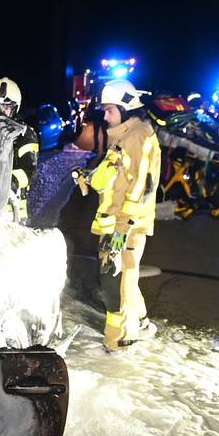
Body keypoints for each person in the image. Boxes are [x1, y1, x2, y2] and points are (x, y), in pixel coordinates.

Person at [86, 79, 161, 352]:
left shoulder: (136, 136)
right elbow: (119, 177)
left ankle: (120, 341)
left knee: (116, 282)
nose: (105, 116)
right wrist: (90, 178)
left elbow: (141, 185)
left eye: (109, 110)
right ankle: (141, 323)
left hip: (126, 225)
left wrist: (122, 227)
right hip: (117, 221)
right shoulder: (124, 134)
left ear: (125, 107)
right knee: (126, 275)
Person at [0, 77, 39, 221]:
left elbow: (29, 171)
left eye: (6, 108)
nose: (0, 113)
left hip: (11, 214)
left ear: (15, 109)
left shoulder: (25, 134)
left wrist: (10, 182)